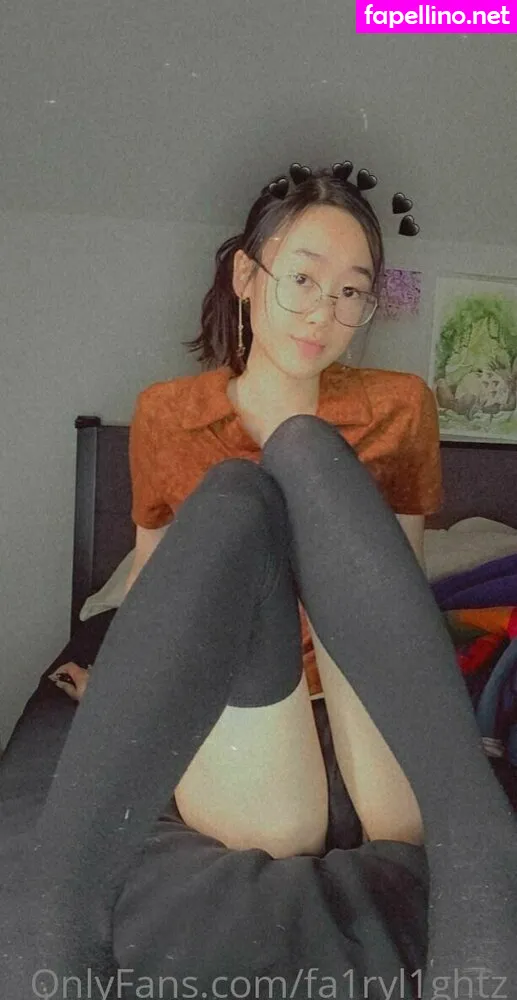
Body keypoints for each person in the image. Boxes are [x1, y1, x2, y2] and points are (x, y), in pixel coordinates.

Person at [35, 162, 516, 999]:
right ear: (246, 276)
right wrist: (117, 690)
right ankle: (61, 904)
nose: (324, 312)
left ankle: (470, 822)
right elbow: (158, 588)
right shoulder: (169, 414)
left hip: (365, 685)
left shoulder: (399, 404)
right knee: (236, 504)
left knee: (303, 451)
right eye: (303, 279)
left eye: (350, 291)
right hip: (243, 694)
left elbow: (394, 585)